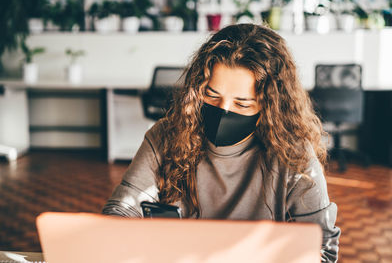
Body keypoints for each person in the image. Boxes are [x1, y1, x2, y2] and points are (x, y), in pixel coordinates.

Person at [102, 24, 340, 262]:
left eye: (242, 104)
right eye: (212, 96)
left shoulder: (293, 154)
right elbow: (122, 210)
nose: (223, 111)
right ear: (197, 90)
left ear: (269, 107)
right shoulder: (165, 136)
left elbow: (322, 248)